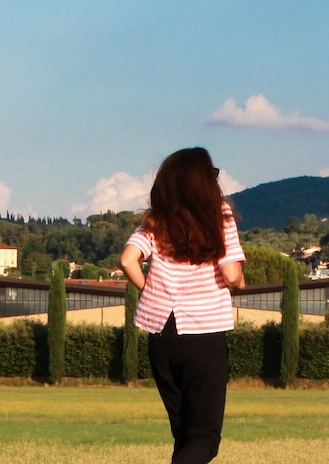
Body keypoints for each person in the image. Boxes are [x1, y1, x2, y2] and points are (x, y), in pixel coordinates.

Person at [119, 147, 246, 464]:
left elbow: (127, 260)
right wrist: (242, 283)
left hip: (161, 334)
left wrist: (151, 290)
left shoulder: (156, 221)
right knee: (204, 438)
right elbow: (231, 274)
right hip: (203, 332)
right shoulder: (219, 215)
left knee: (184, 436)